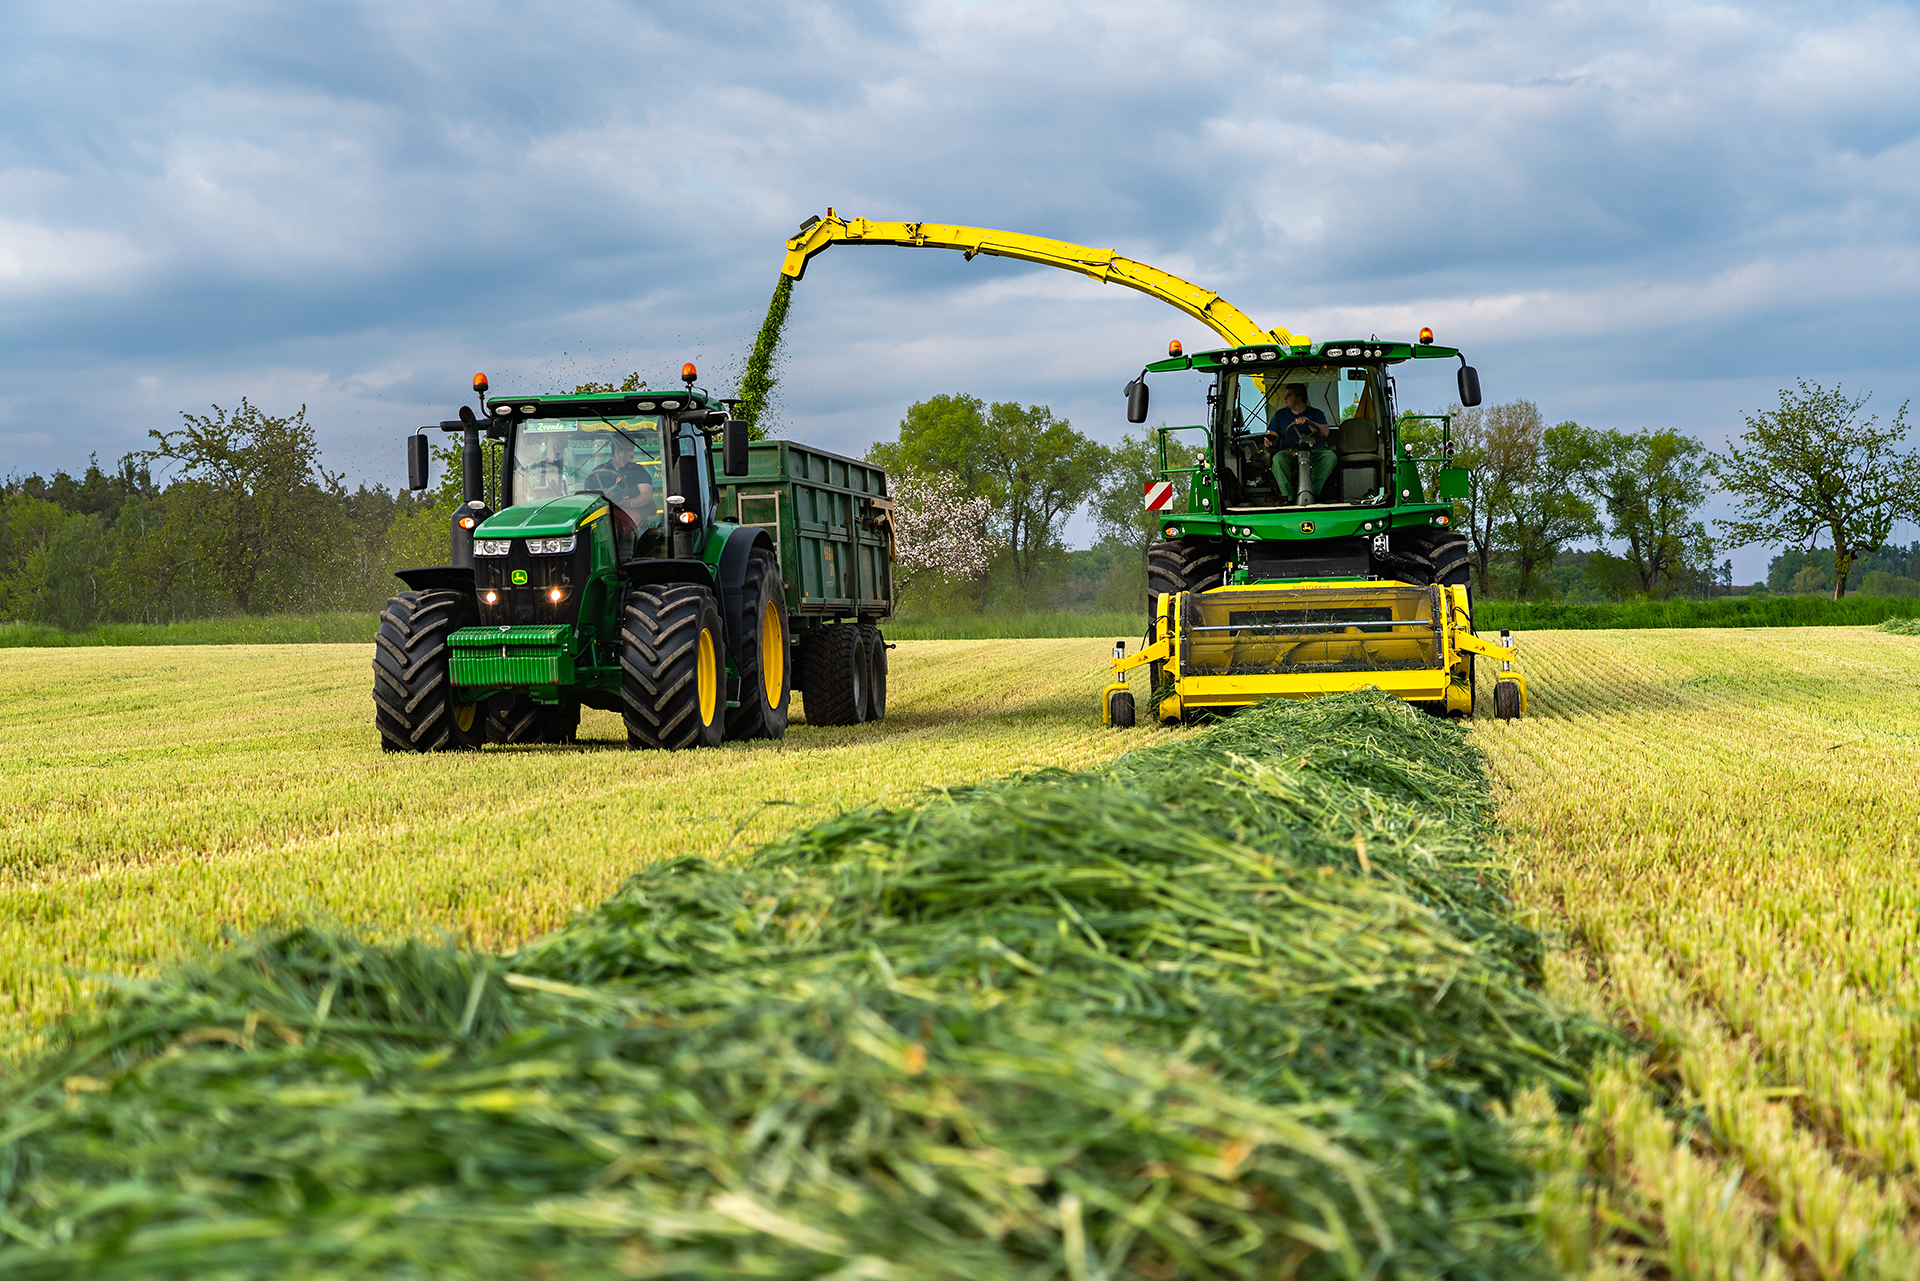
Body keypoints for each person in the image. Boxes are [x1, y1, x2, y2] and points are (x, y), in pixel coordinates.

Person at [1264, 383, 1337, 503]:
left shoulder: (1316, 414)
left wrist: (1309, 423)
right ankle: (1290, 498)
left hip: (1314, 451)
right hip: (1292, 452)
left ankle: (1312, 493)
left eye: (1289, 395)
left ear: (1299, 397)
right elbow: (1273, 434)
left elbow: (1325, 433)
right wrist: (1269, 439)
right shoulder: (1280, 415)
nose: (1285, 398)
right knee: (1278, 459)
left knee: (1330, 457)